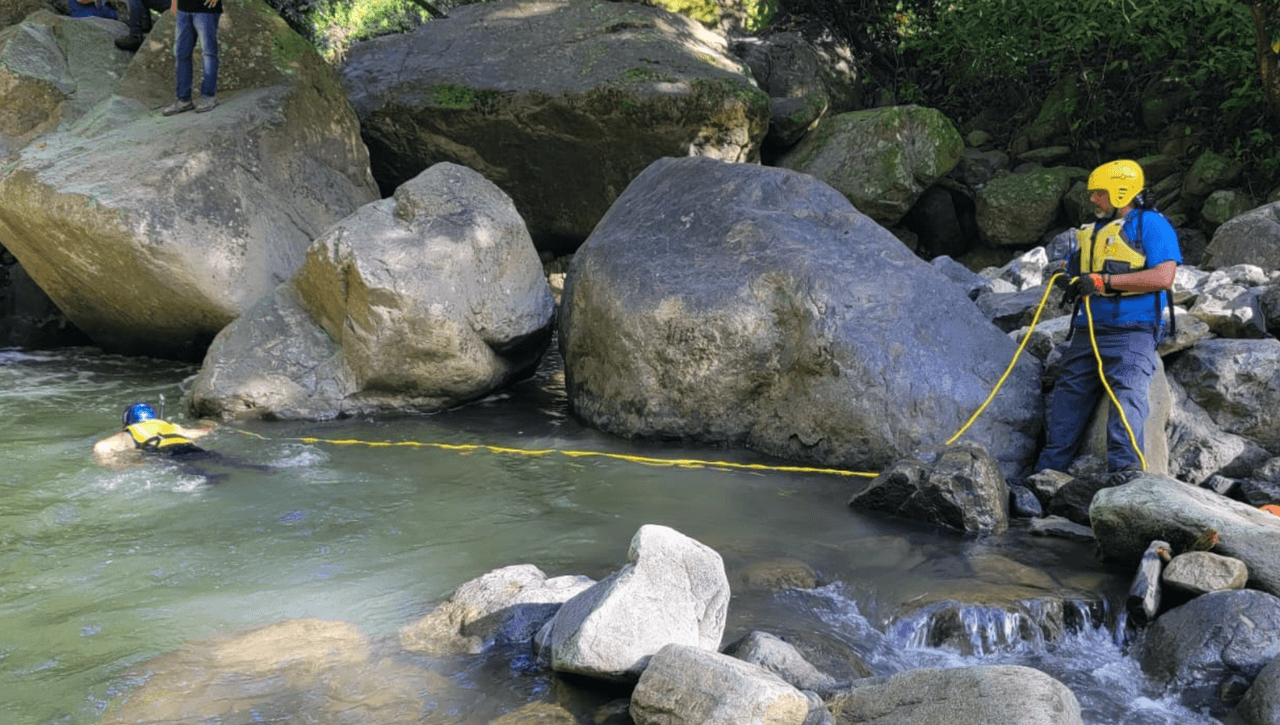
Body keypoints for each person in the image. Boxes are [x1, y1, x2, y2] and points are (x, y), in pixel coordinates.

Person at [1035, 159, 1181, 479]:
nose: (1092, 199)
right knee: (1068, 394)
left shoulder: (1151, 225)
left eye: (1099, 193)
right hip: (1088, 328)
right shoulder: (1094, 230)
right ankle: (1047, 471)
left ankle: (1125, 470)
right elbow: (1077, 268)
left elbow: (1163, 276)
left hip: (1133, 328)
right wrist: (1069, 278)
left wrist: (1106, 283)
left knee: (1127, 392)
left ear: (1120, 193)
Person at [93, 402, 215, 466]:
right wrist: (207, 421)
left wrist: (137, 461)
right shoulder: (170, 426)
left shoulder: (128, 434)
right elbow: (205, 431)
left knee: (200, 474)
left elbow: (102, 447)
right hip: (191, 448)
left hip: (165, 455)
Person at [161, 0, 221, 116]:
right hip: (183, 9)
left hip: (206, 8)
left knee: (208, 53)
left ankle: (209, 97)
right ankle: (184, 100)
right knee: (182, 53)